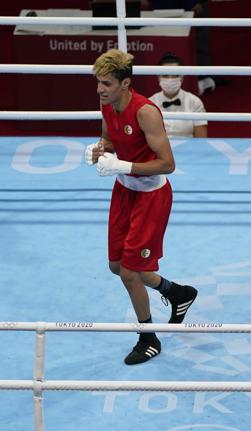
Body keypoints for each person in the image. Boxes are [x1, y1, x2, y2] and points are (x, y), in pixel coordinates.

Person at [85, 49, 198, 365]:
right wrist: (98, 151)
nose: (100, 89)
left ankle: (148, 337)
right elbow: (108, 141)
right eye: (98, 83)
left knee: (130, 272)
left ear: (126, 83)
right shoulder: (106, 104)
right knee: (117, 265)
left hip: (151, 197)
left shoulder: (146, 112)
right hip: (124, 192)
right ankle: (177, 293)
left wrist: (123, 165)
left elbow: (168, 164)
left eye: (106, 83)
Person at [149, 52, 208, 138]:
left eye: (175, 75)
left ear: (182, 77)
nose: (170, 79)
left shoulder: (194, 102)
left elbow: (201, 140)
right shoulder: (149, 103)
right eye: (165, 75)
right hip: (159, 151)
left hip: (188, 150)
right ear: (158, 77)